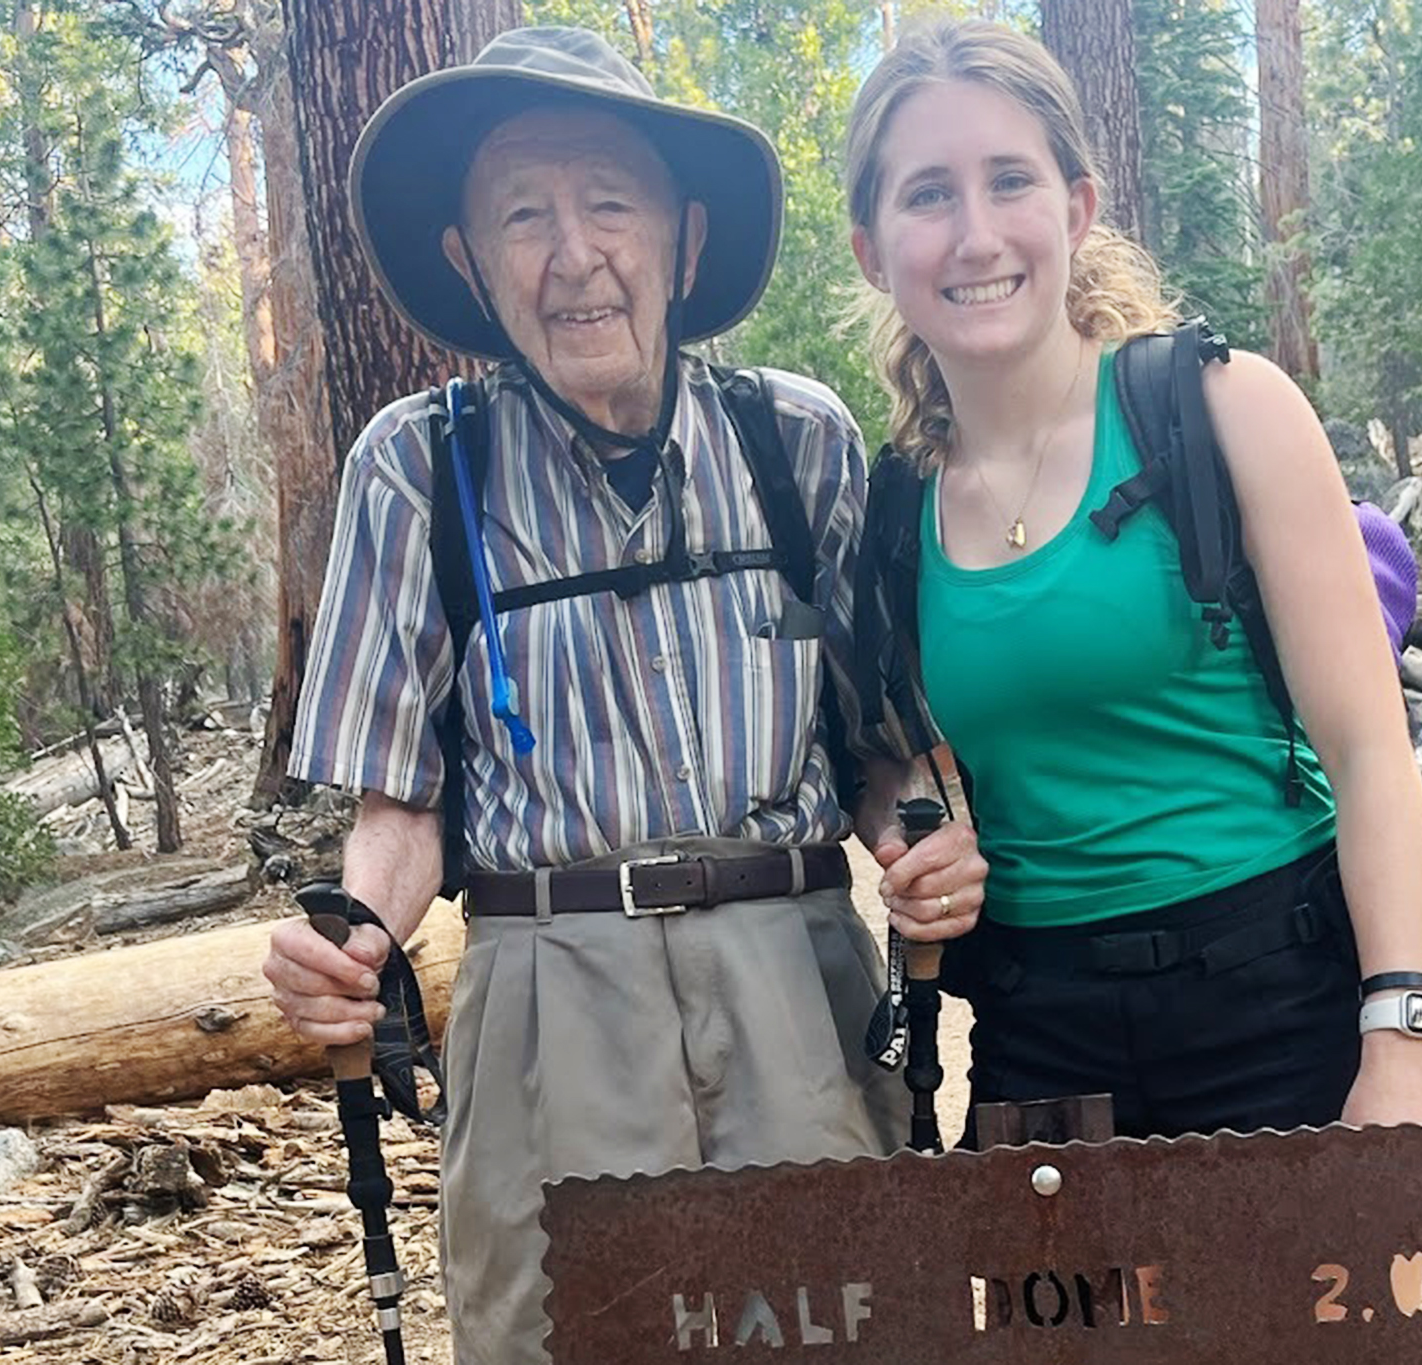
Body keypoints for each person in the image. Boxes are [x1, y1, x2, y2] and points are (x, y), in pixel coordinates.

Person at [259, 28, 985, 1365]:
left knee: (855, 1327)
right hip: (548, 1003)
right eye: (523, 214)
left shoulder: (797, 439)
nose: (574, 251)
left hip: (798, 989)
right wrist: (357, 933)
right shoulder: (418, 470)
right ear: (471, 265)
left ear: (684, 238)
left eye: (609, 201)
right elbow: (398, 805)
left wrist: (914, 838)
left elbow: (876, 750)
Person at [844, 20, 1422, 1140]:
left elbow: (1370, 749)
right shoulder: (891, 511)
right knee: (1067, 1328)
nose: (975, 234)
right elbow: (896, 761)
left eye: (1008, 180)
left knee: (1324, 1325)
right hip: (1040, 1037)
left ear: (1074, 210)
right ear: (872, 250)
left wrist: (1400, 1040)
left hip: (1282, 1001)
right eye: (927, 195)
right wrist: (911, 842)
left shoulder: (1221, 411)